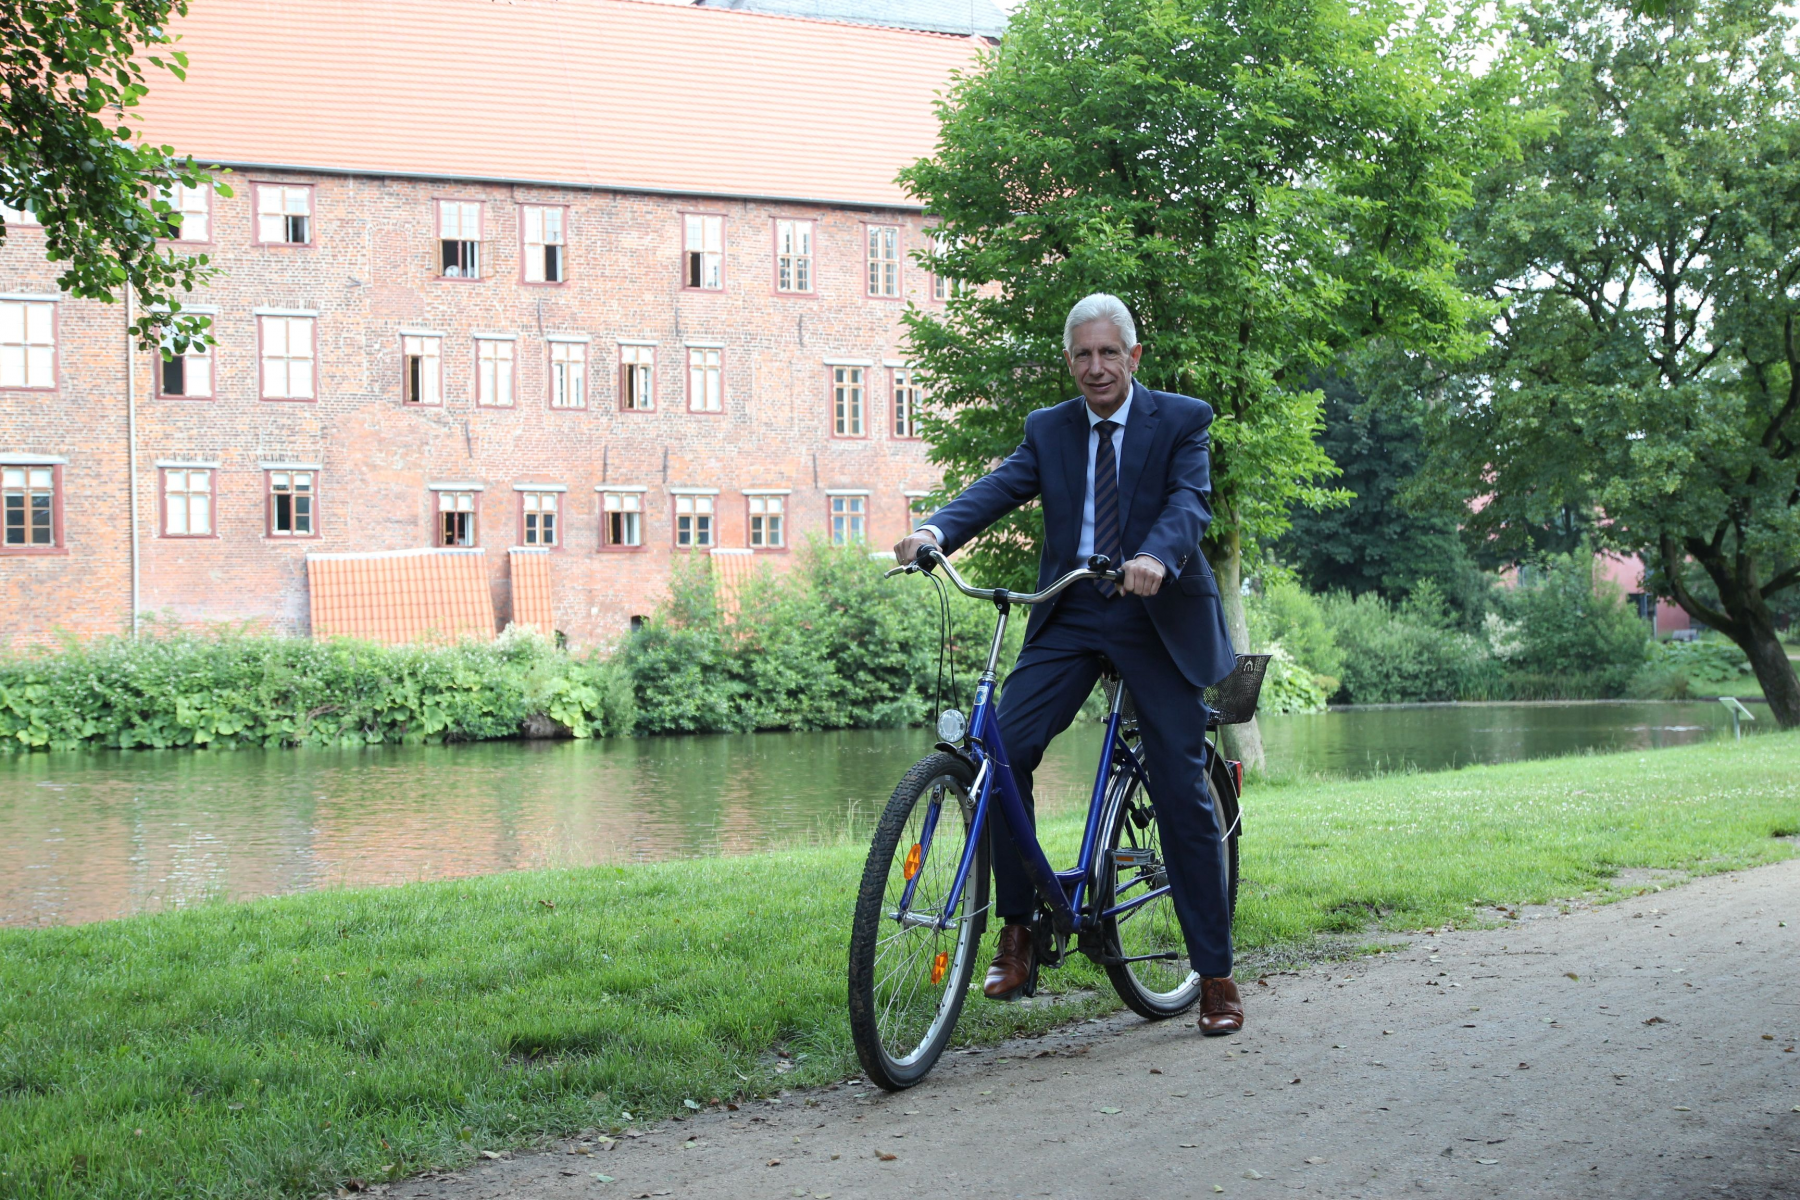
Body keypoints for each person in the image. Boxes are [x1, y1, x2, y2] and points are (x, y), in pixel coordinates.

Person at [894, 293, 1244, 1035]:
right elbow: (998, 487)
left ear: (1134, 357)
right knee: (999, 750)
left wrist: (1156, 553)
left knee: (1180, 786)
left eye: (1108, 353)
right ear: (1070, 361)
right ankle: (1019, 929)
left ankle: (1213, 973)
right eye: (1082, 355)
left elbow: (1189, 502)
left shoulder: (1183, 419)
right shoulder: (1049, 429)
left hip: (1158, 612)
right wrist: (934, 530)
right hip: (1074, 609)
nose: (1095, 368)